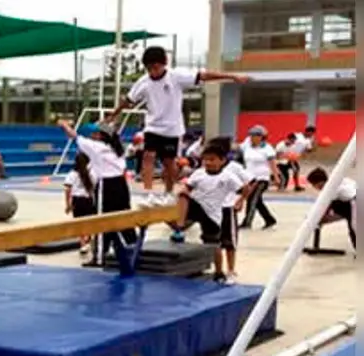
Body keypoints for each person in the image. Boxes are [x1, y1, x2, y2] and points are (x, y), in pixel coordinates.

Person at [107, 46, 249, 208]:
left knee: (169, 163)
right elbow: (128, 100)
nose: (153, 72)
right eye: (149, 69)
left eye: (156, 67)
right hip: (153, 126)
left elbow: (204, 76)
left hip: (172, 129)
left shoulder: (176, 76)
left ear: (164, 64)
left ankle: (168, 193)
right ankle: (148, 194)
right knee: (148, 157)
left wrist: (231, 76)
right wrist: (115, 113)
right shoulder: (143, 82)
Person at [58, 120, 136, 259]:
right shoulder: (118, 148)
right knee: (124, 218)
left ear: (101, 136)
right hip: (122, 186)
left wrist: (64, 125)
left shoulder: (96, 147)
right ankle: (134, 248)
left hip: (107, 185)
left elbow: (74, 136)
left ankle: (100, 256)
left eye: (96, 133)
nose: (93, 135)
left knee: (103, 221)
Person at [173, 142, 247, 284]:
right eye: (205, 160)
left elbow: (245, 188)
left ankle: (219, 272)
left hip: (213, 214)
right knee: (182, 195)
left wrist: (240, 200)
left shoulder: (227, 176)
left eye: (212, 160)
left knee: (214, 244)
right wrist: (183, 193)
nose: (208, 163)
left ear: (222, 161)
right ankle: (179, 227)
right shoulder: (199, 173)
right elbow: (187, 187)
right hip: (198, 206)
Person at [238, 125, 280, 230]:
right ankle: (270, 220)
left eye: (255, 135)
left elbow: (272, 163)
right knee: (258, 201)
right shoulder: (247, 146)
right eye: (251, 135)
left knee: (252, 199)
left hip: (262, 178)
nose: (252, 137)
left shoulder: (267, 148)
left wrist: (276, 177)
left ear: (262, 137)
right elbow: (238, 149)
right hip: (249, 178)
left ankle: (247, 222)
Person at [306, 167, 356, 249]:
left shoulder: (330, 189)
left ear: (320, 183)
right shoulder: (338, 180)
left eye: (313, 185)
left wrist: (317, 220)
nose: (314, 187)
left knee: (354, 229)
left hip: (355, 201)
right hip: (351, 201)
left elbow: (325, 207)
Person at [63, 152, 98, 255]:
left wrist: (68, 204)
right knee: (90, 221)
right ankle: (89, 239)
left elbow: (67, 190)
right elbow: (94, 187)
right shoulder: (92, 174)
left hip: (77, 201)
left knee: (79, 223)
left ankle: (83, 244)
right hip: (88, 200)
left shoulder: (72, 174)